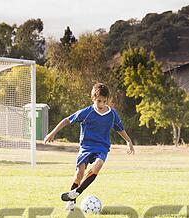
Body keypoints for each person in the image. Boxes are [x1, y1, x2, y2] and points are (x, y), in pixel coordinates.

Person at [44, 83, 135, 211]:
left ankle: (77, 192)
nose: (101, 104)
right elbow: (67, 120)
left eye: (104, 101)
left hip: (102, 147)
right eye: (99, 101)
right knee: (79, 174)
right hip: (86, 147)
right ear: (93, 98)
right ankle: (71, 202)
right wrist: (52, 133)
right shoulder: (86, 112)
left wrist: (128, 141)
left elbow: (120, 129)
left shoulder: (112, 114)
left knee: (98, 164)